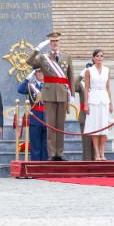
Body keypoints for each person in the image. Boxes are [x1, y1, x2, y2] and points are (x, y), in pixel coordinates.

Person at [26, 32, 74, 161]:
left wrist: (72, 94)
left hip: (63, 93)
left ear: (59, 42)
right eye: (52, 41)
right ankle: (52, 153)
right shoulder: (43, 57)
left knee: (60, 126)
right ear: (49, 43)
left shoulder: (66, 57)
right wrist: (37, 49)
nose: (54, 43)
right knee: (51, 126)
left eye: (56, 41)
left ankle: (60, 153)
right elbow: (29, 62)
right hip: (49, 93)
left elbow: (71, 76)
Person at [84, 49, 113, 161]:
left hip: (104, 99)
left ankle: (102, 152)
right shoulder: (89, 70)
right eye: (97, 56)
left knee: (104, 127)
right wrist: (86, 104)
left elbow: (108, 87)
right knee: (95, 126)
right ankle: (96, 153)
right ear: (93, 58)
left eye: (101, 56)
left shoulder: (107, 70)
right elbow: (86, 88)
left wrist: (110, 103)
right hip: (93, 99)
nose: (99, 58)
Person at [18, 67, 48, 161]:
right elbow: (20, 89)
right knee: (35, 144)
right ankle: (35, 166)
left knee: (45, 144)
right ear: (35, 74)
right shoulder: (32, 86)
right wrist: (28, 77)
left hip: (48, 117)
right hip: (35, 117)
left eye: (42, 72)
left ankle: (45, 166)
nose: (41, 74)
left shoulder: (49, 85)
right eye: (38, 72)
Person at [74, 65, 93, 161]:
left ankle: (96, 163)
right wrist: (81, 75)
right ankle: (87, 162)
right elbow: (72, 86)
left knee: (96, 141)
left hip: (96, 115)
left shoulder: (97, 84)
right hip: (85, 116)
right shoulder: (81, 84)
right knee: (86, 142)